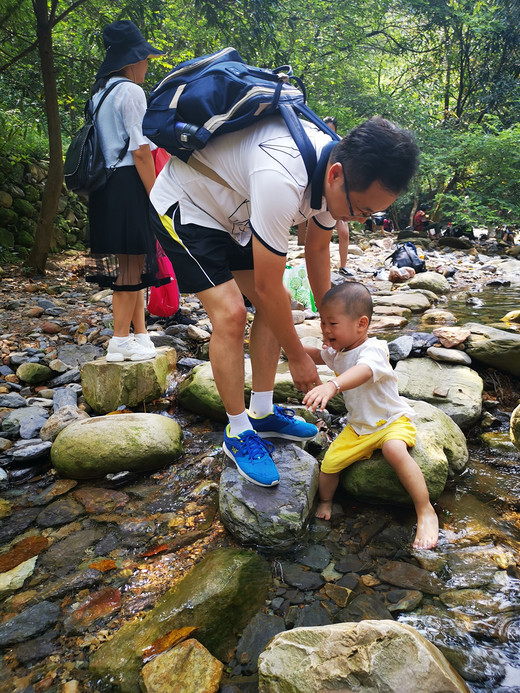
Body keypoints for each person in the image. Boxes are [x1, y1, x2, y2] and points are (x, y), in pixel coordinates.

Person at [150, 115, 419, 488]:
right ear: (337, 174)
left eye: (368, 214)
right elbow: (264, 285)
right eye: (358, 209)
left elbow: (318, 246)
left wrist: (331, 324)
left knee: (280, 301)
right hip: (188, 207)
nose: (357, 219)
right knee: (231, 314)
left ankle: (261, 411)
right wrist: (295, 356)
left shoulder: (331, 171)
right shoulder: (282, 174)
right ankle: (239, 430)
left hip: (238, 215)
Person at [303, 282, 438, 550]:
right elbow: (318, 356)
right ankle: (327, 501)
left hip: (390, 422)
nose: (325, 330)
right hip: (358, 428)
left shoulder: (373, 350)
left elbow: (363, 371)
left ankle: (425, 510)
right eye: (322, 322)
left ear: (361, 324)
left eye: (332, 323)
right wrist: (291, 348)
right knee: (329, 466)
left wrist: (332, 385)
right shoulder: (338, 351)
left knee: (394, 451)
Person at [86, 20, 165, 362]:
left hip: (106, 185)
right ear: (132, 61)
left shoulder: (99, 94)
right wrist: (156, 194)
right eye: (145, 57)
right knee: (132, 265)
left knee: (130, 262)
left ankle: (141, 334)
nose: (147, 63)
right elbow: (140, 150)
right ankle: (119, 340)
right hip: (129, 183)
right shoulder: (131, 92)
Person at [322, 117, 352, 277]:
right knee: (321, 238)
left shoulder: (340, 145)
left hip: (337, 196)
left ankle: (343, 265)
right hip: (320, 195)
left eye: (331, 130)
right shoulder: (316, 143)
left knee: (344, 233)